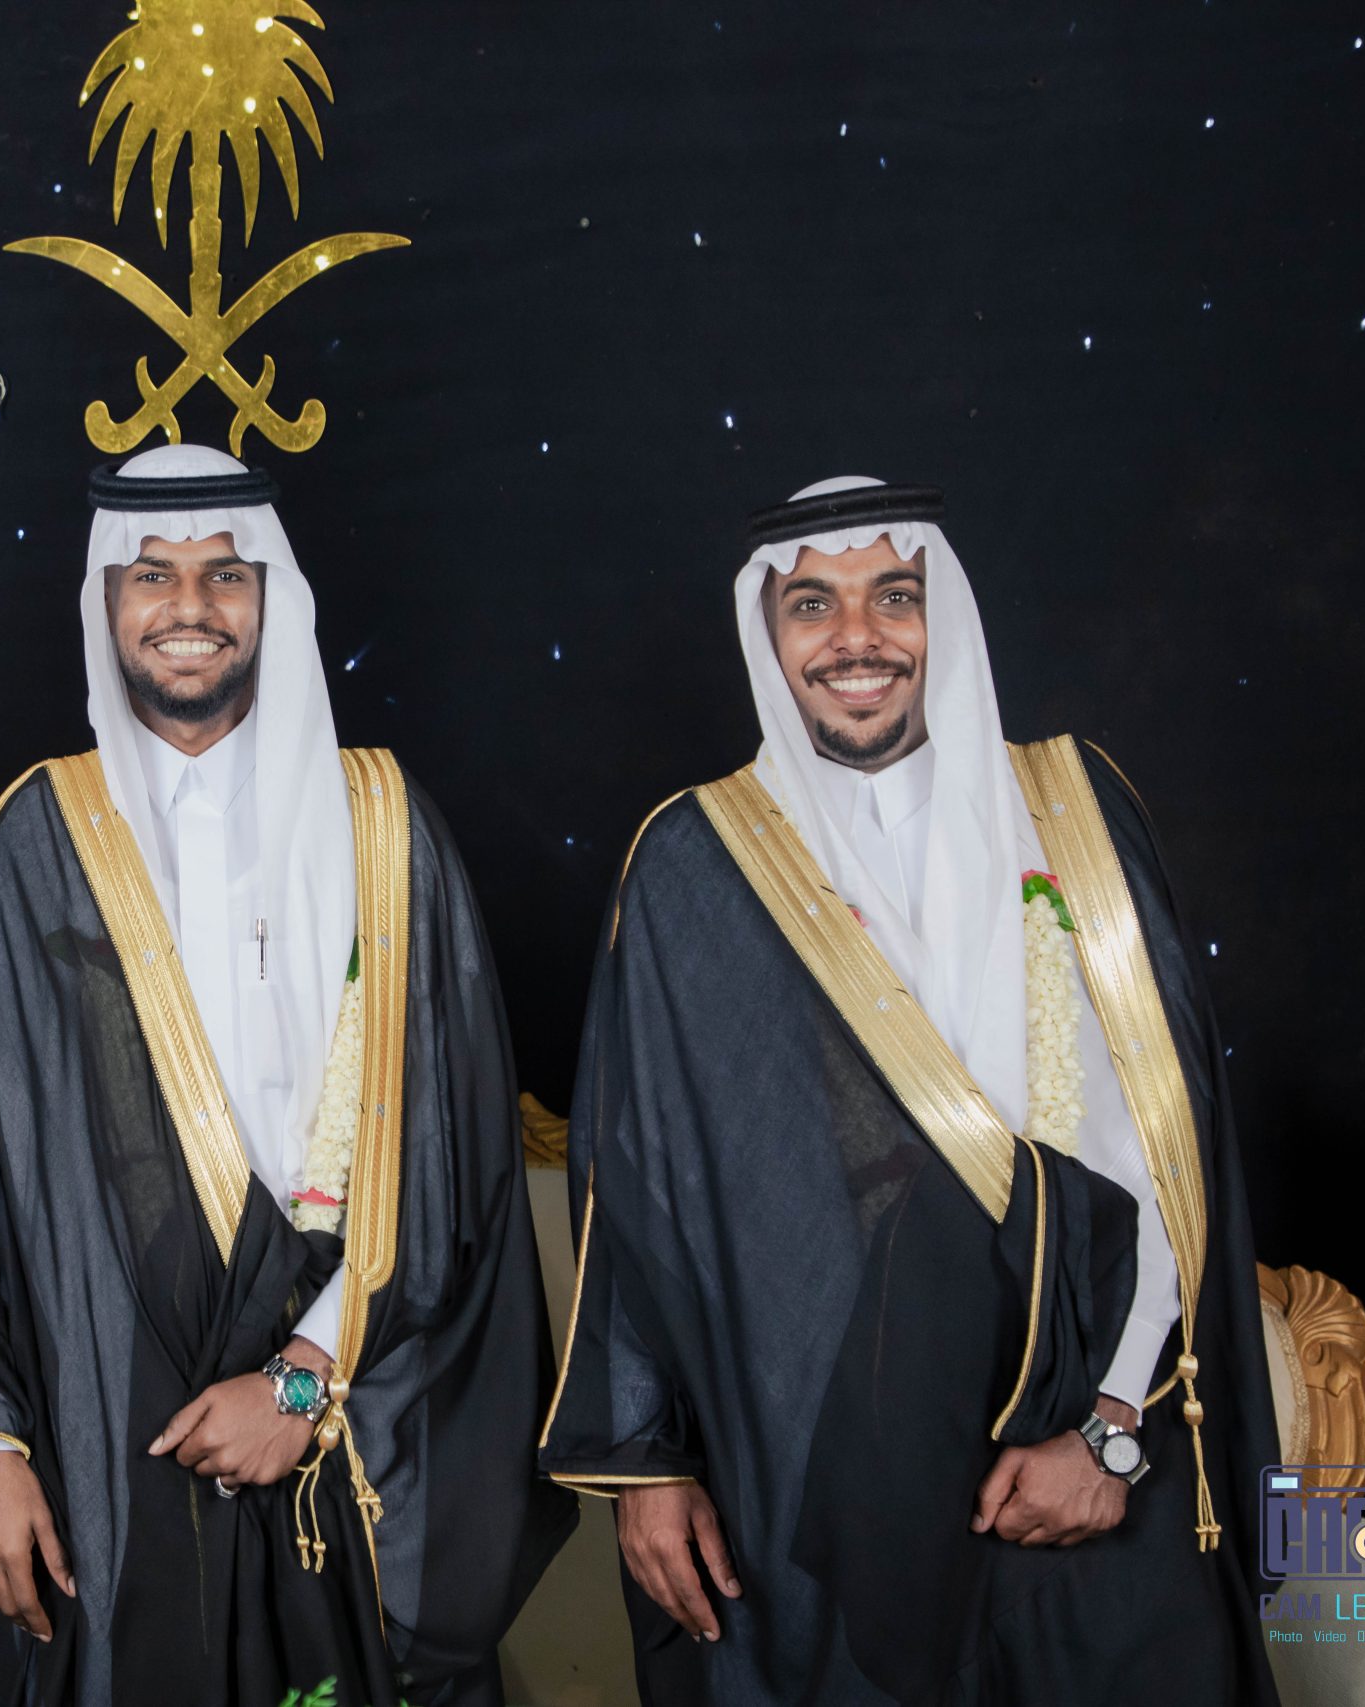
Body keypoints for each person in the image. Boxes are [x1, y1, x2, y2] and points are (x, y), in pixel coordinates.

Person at [539, 477, 1279, 1704]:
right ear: (767, 633)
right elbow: (642, 1189)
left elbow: (1165, 1146)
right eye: (812, 605)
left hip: (1092, 1441)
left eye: (893, 597)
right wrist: (648, 1465)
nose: (856, 639)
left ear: (946, 616)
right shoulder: (696, 860)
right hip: (826, 1459)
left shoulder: (1074, 812)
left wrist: (1109, 1427)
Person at [0, 444, 573, 1707]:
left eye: (225, 574)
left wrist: (300, 1380)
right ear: (103, 601)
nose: (189, 607)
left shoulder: (384, 829)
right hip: (101, 1423)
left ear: (272, 596)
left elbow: (452, 1164)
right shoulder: (31, 844)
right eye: (152, 575)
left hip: (339, 1415)